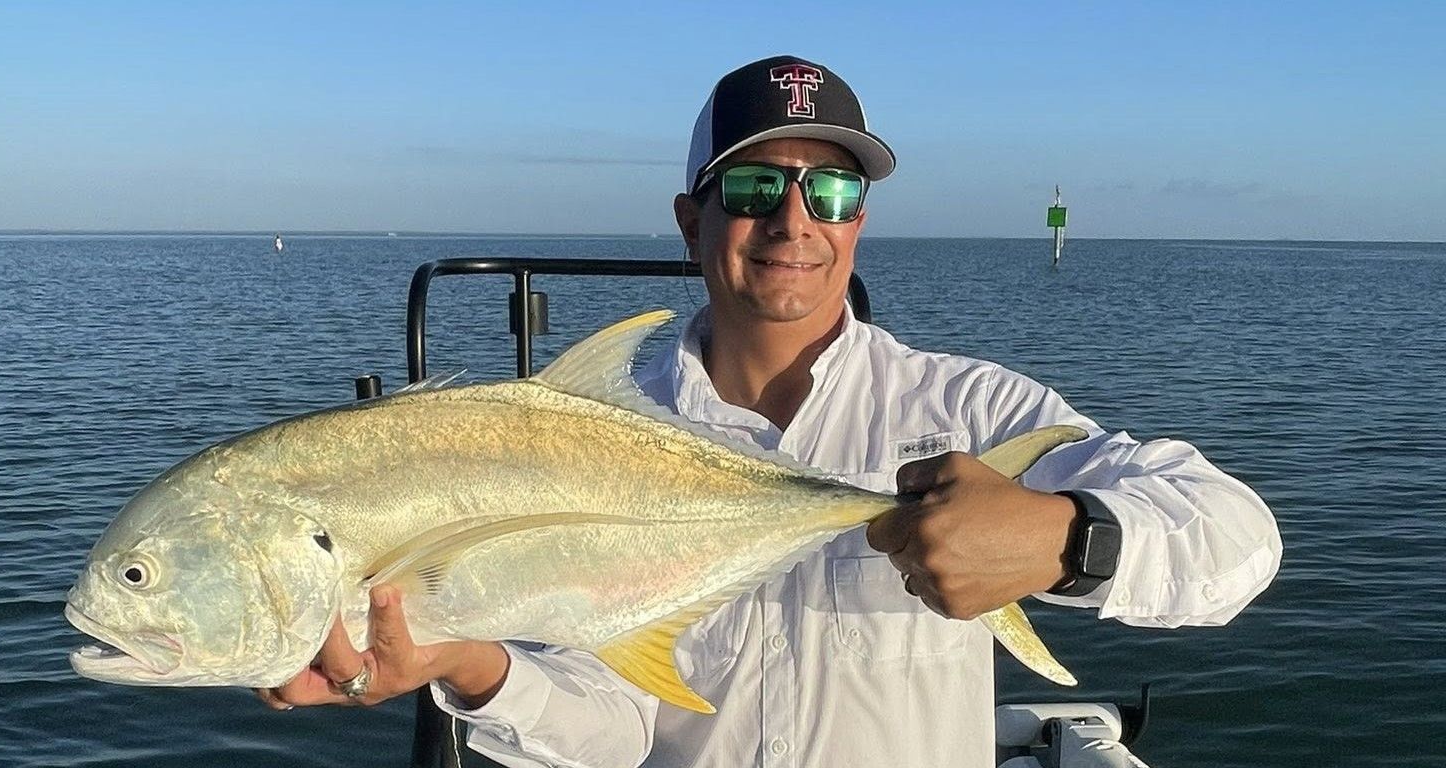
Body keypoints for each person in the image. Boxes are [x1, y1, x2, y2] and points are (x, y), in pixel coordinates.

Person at [257, 55, 1283, 767]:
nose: (795, 222)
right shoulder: (577, 447)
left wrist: (1068, 540)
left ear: (860, 223)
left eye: (829, 194)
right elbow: (616, 737)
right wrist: (462, 665)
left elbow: (1239, 543)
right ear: (691, 217)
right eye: (755, 186)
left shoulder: (973, 409)